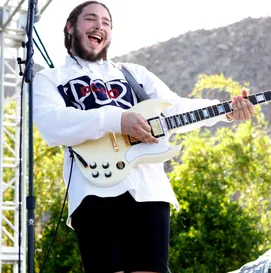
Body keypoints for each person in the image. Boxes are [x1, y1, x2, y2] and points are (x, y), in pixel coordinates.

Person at [33, 1, 254, 273]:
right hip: (94, 186)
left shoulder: (133, 74)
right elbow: (52, 124)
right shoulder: (50, 79)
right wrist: (118, 119)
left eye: (106, 22)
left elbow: (175, 107)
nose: (99, 26)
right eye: (91, 19)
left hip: (149, 189)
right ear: (70, 27)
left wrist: (225, 112)